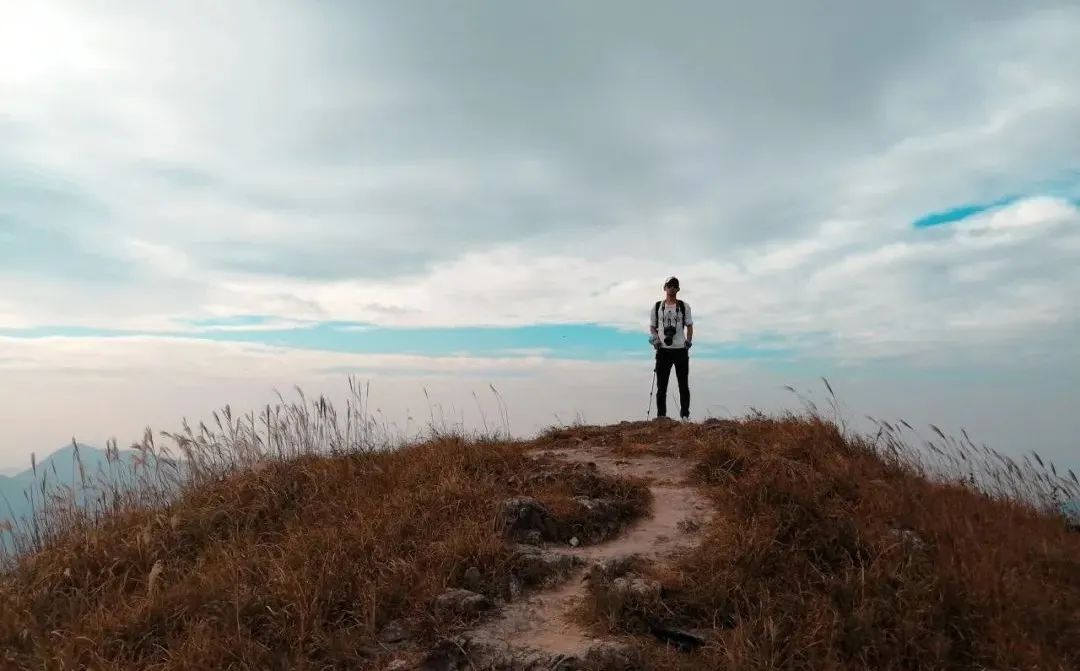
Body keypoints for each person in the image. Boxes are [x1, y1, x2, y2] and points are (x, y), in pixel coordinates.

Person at [649, 276, 693, 421]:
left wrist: (688, 342)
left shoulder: (684, 306)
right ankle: (661, 416)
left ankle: (685, 416)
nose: (672, 288)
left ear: (678, 289)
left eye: (675, 285)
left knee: (683, 385)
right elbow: (652, 326)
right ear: (665, 287)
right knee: (661, 387)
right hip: (663, 350)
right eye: (669, 285)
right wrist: (655, 339)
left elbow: (689, 325)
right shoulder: (657, 307)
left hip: (680, 349)